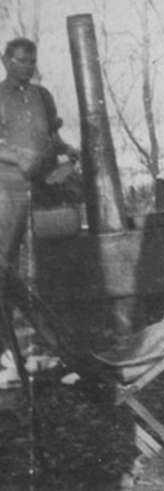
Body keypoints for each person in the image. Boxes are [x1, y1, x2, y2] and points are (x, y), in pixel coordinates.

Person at [0, 38, 77, 387]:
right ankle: (7, 355)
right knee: (7, 271)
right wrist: (17, 157)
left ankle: (51, 349)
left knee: (46, 267)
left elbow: (51, 136)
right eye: (19, 61)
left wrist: (67, 151)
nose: (26, 67)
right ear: (5, 61)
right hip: (8, 190)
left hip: (43, 190)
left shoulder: (42, 95)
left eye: (31, 61)